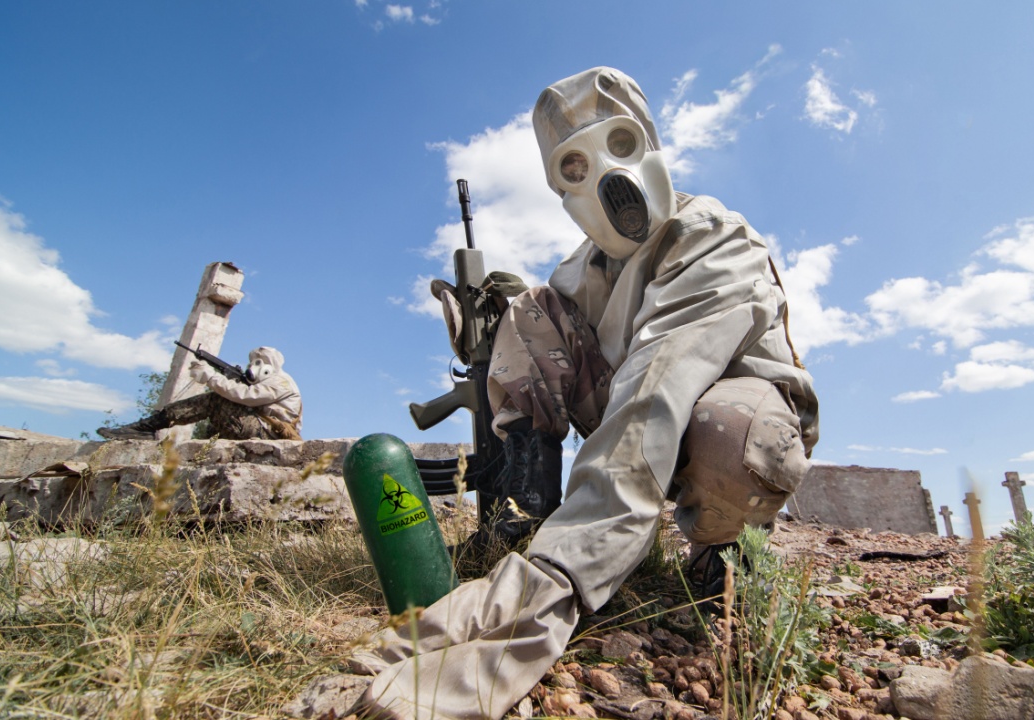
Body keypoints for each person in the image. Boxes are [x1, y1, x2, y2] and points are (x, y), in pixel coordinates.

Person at [349, 67, 819, 720]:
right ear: (559, 193)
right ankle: (524, 520)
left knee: (731, 433)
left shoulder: (712, 237)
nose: (607, 179)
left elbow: (654, 396)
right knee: (528, 311)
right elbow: (546, 363)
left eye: (620, 145)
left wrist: (550, 586)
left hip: (723, 422)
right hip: (636, 416)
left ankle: (722, 556)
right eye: (574, 167)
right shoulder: (581, 272)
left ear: (652, 143)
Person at [97, 346, 302, 441]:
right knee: (218, 411)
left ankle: (149, 426)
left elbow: (246, 396)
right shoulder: (270, 381)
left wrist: (211, 377)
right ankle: (148, 426)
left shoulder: (281, 382)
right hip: (260, 430)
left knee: (217, 399)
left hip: (270, 435)